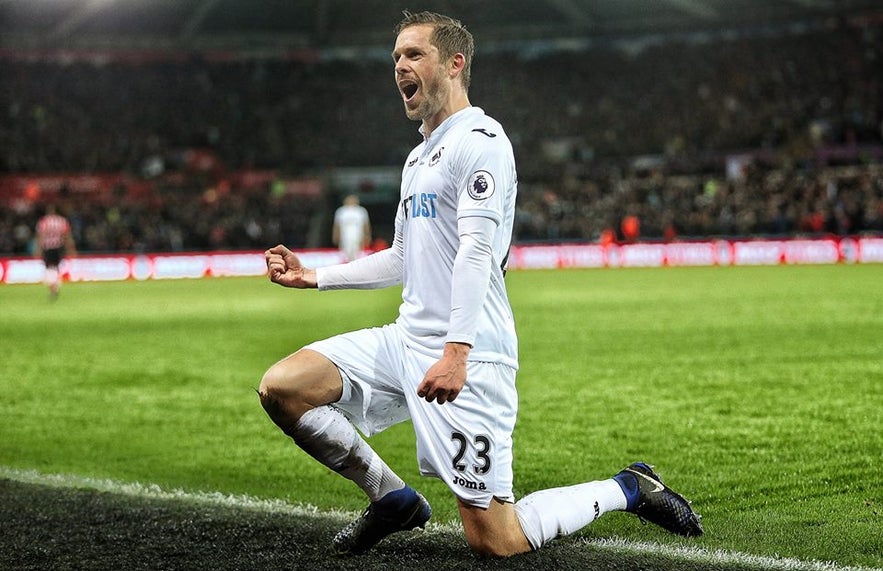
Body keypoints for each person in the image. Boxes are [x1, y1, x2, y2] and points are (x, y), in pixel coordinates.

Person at [260, 10, 702, 557]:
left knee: (497, 540)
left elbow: (475, 252)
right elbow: (401, 258)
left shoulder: (482, 140)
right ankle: (391, 499)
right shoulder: (418, 156)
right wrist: (315, 277)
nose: (399, 65)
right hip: (405, 341)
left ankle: (629, 487)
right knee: (284, 387)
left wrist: (456, 351)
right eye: (395, 56)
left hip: (472, 356)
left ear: (454, 63)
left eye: (413, 54)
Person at [34, 203, 76, 300]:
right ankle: (55, 286)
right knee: (56, 268)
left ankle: (53, 287)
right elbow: (67, 236)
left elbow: (40, 236)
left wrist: (38, 249)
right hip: (58, 248)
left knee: (49, 268)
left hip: (47, 248)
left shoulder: (43, 221)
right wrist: (71, 248)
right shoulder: (62, 221)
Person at [332, 194, 372, 262]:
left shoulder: (361, 211)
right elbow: (337, 225)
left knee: (357, 252)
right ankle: (347, 263)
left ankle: (356, 265)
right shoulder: (341, 211)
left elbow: (366, 225)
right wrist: (335, 235)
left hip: (357, 234)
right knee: (345, 251)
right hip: (345, 235)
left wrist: (367, 236)